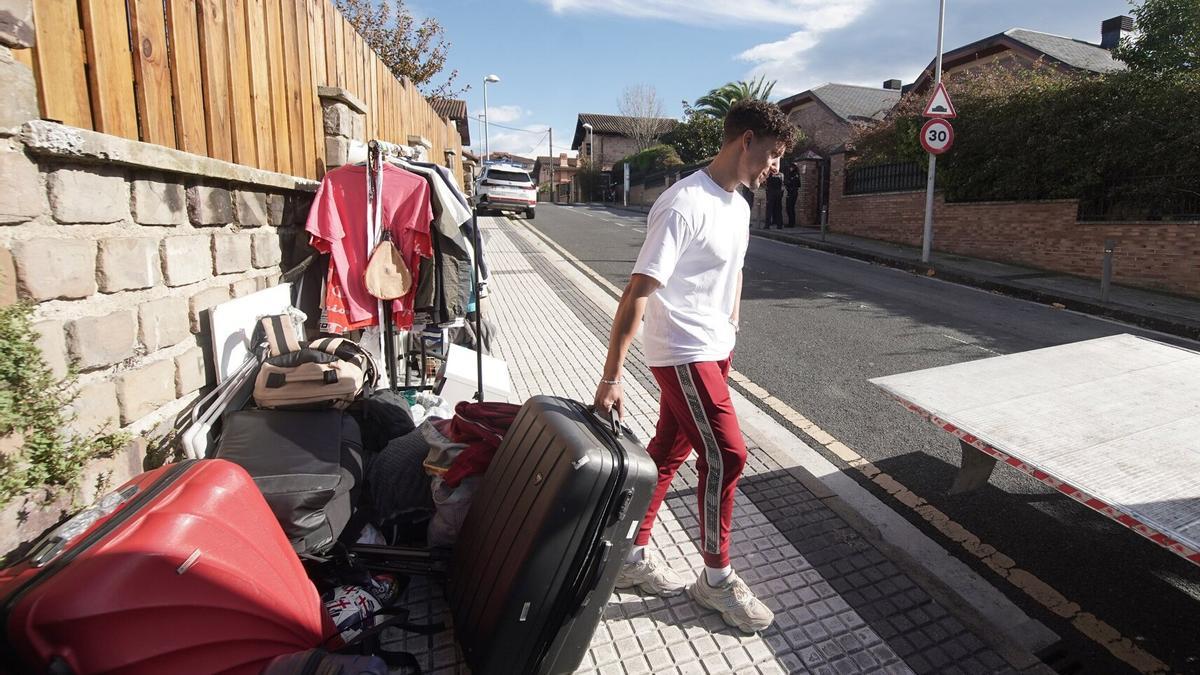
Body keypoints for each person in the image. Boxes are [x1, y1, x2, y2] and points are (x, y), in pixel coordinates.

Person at [593, 99, 795, 634]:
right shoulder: (683, 204)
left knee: (668, 450)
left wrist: (731, 323)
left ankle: (628, 558)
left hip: (714, 346)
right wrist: (611, 376)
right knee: (728, 455)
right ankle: (715, 578)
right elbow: (637, 291)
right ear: (745, 140)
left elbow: (733, 272)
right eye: (773, 154)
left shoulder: (740, 206)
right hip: (682, 350)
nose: (775, 167)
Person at [784, 161, 801, 228]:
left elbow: (797, 184)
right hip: (792, 192)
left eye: (791, 167)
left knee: (790, 208)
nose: (790, 168)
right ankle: (791, 223)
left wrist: (789, 183)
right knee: (789, 208)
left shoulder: (794, 175)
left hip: (792, 192)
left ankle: (791, 223)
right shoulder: (793, 174)